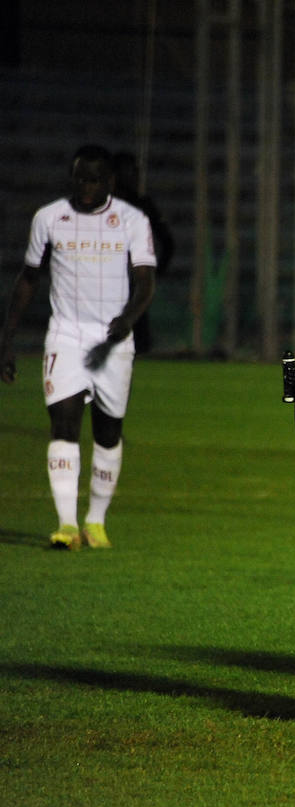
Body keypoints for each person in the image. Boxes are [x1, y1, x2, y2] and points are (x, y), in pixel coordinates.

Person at [1, 144, 157, 550]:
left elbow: (145, 279)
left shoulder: (131, 221)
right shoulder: (49, 218)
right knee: (64, 425)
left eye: (94, 179)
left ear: (110, 182)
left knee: (108, 433)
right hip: (66, 336)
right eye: (79, 178)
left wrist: (128, 319)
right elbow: (29, 278)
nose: (86, 186)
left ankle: (96, 521)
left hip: (113, 341)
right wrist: (7, 338)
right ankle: (67, 525)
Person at [112, 151, 176, 353]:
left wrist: (154, 274)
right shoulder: (101, 207)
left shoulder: (142, 205)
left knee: (137, 339)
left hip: (131, 282)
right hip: (107, 283)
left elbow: (168, 242)